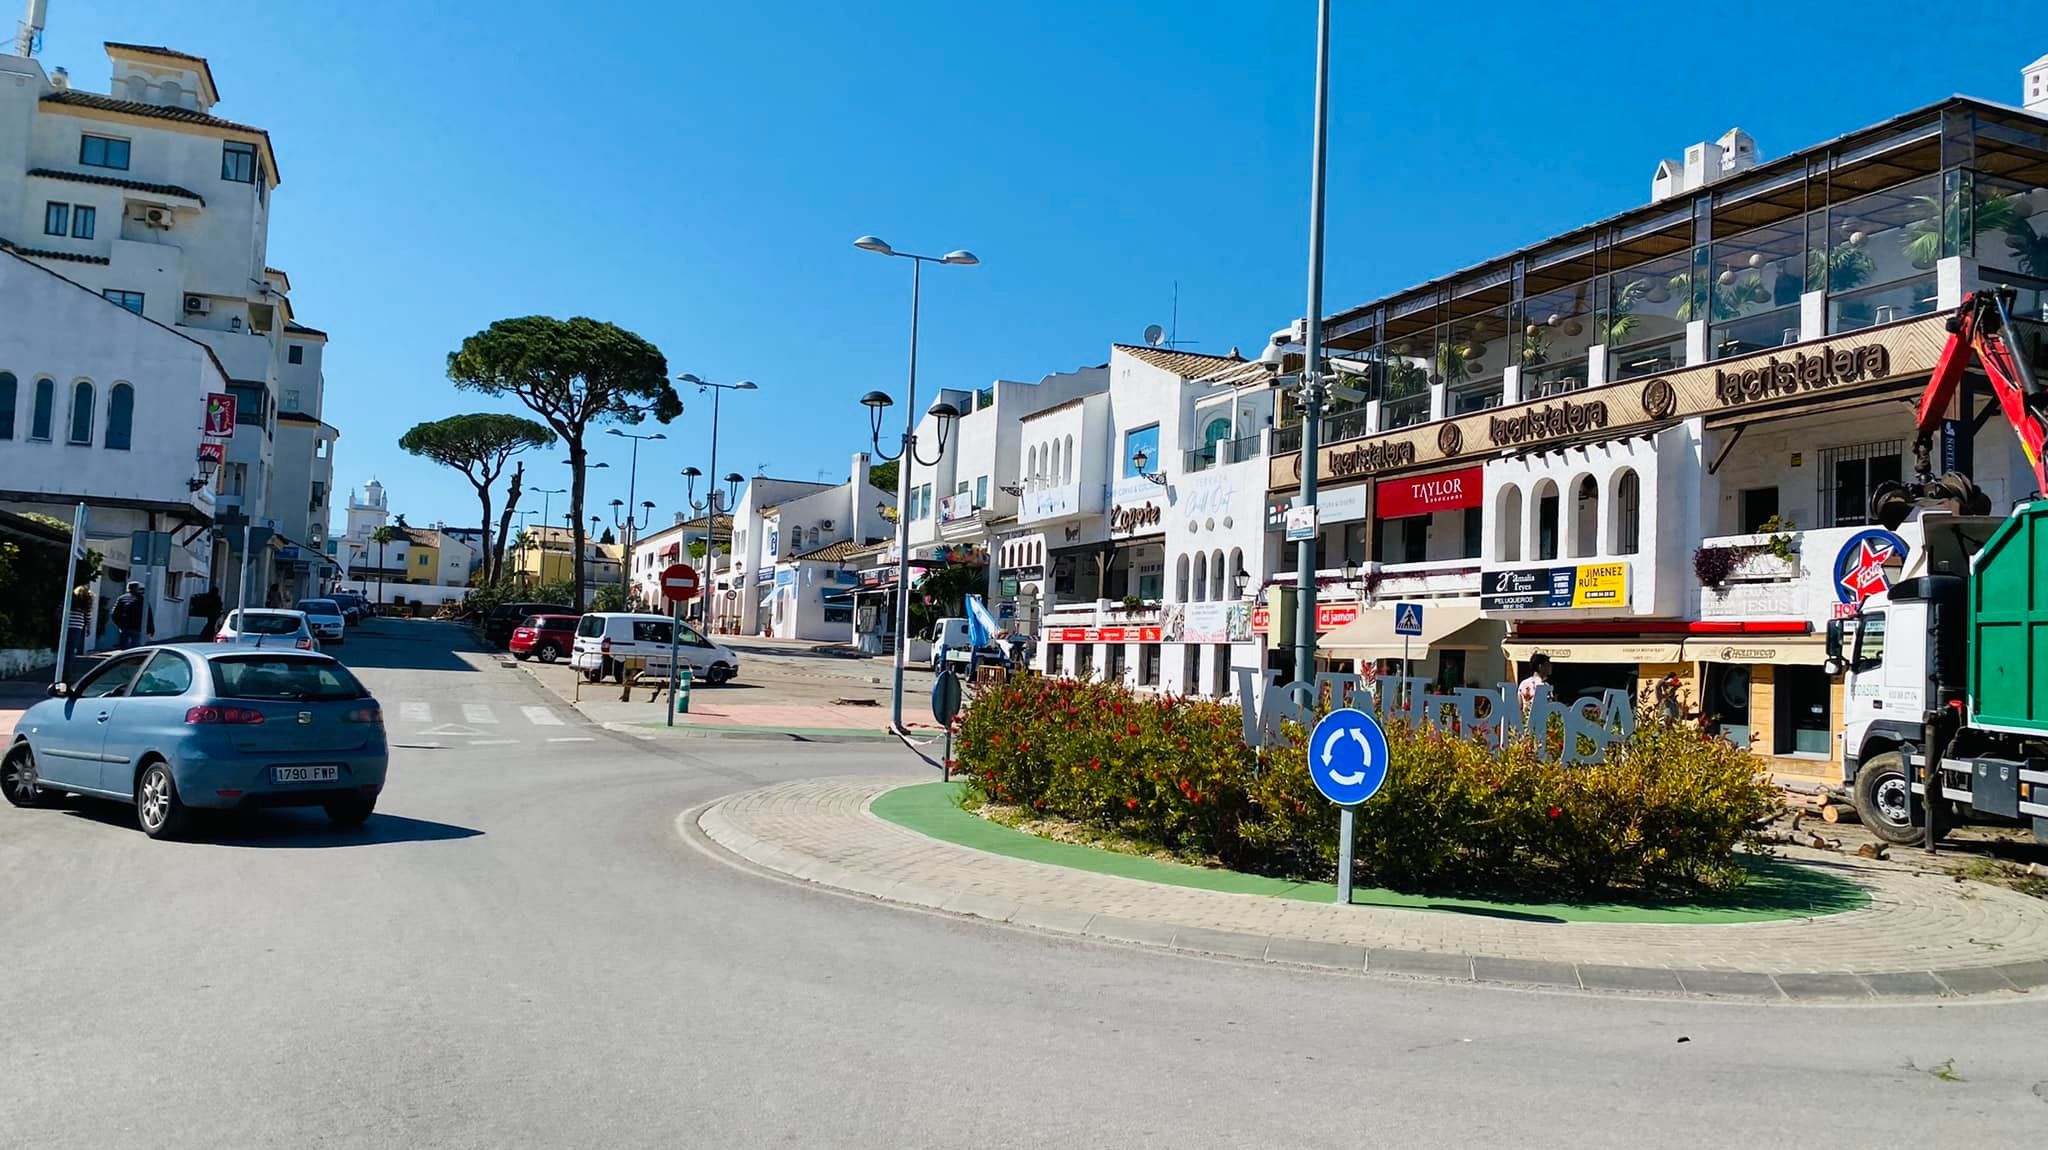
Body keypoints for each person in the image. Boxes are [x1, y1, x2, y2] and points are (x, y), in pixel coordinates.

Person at [110, 581, 151, 648]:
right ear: (137, 589)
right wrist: (150, 630)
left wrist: (119, 624)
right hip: (137, 627)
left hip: (125, 626)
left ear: (128, 588)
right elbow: (148, 615)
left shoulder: (122, 598)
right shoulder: (142, 599)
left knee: (123, 647)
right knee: (135, 648)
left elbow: (114, 613)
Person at [64, 586, 91, 659]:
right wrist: (88, 628)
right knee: (72, 647)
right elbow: (88, 617)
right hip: (77, 626)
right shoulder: (85, 602)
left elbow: (61, 609)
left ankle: (62, 663)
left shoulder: (70, 599)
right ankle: (68, 666)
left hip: (67, 624)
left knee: (64, 645)